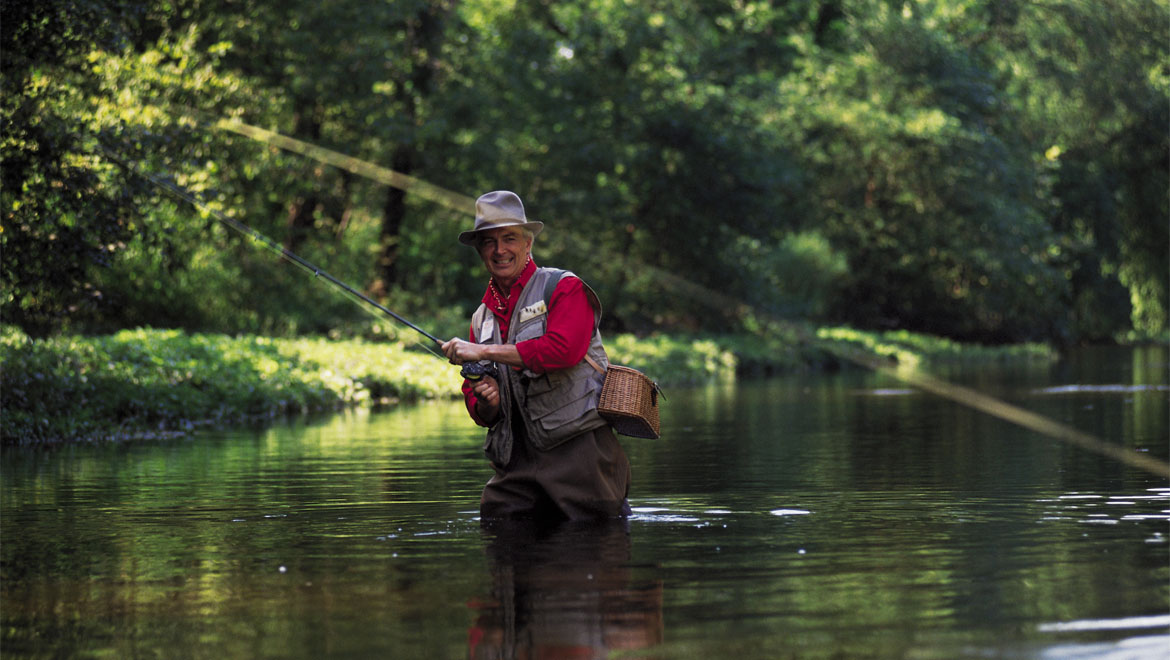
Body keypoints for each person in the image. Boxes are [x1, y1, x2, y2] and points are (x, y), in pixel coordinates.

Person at [441, 190, 631, 520]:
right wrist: (488, 402)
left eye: (509, 238)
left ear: (528, 243)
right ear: (479, 251)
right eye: (488, 242)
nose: (499, 250)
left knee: (596, 545)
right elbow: (479, 411)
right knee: (496, 521)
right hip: (516, 466)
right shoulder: (480, 319)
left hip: (580, 454)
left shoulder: (563, 288)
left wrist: (484, 351)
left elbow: (564, 351)